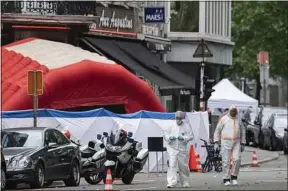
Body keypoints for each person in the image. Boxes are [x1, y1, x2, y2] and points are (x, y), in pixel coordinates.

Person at [214, 105, 246, 186]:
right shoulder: (224, 119)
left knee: (237, 159)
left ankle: (234, 177)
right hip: (226, 141)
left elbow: (242, 131)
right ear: (230, 111)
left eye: (235, 112)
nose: (234, 113)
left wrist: (243, 142)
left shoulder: (238, 120)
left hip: (237, 141)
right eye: (233, 111)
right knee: (226, 161)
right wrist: (216, 142)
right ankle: (226, 178)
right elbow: (217, 130)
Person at [164, 110, 194, 188]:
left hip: (182, 149)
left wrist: (184, 138)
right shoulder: (171, 125)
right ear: (175, 117)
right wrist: (169, 137)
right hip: (172, 148)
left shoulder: (186, 126)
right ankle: (172, 182)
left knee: (183, 166)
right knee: (172, 165)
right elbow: (165, 134)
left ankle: (185, 182)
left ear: (182, 118)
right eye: (177, 118)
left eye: (180, 118)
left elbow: (190, 136)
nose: (178, 120)